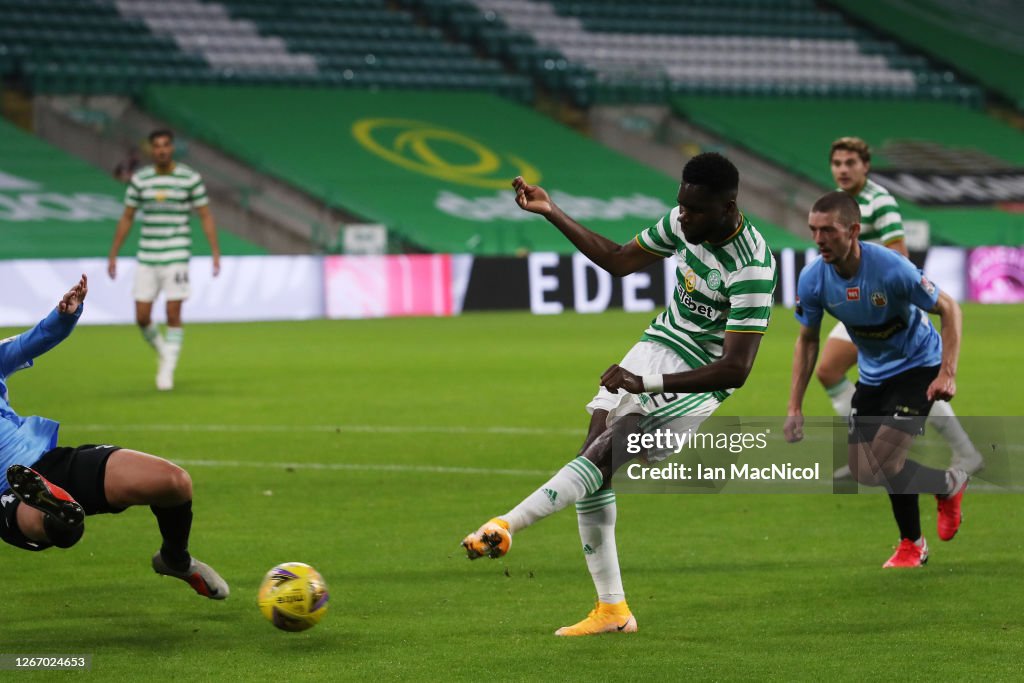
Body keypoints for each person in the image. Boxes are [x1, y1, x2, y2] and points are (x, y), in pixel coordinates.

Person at [461, 153, 777, 635]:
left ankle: (506, 523)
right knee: (592, 462)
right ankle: (612, 610)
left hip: (697, 374)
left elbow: (735, 369)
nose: (682, 217)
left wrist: (645, 384)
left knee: (607, 452)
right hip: (655, 346)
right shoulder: (682, 221)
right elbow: (616, 261)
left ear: (728, 206)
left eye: (694, 211)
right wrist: (552, 211)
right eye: (681, 206)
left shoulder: (752, 266)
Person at [0, 275, 228, 598]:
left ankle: (175, 558)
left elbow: (33, 340)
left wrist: (65, 314)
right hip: (5, 492)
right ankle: (53, 506)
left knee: (175, 483)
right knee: (64, 525)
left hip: (51, 460)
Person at [785, 191, 969, 568]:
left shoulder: (892, 269)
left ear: (853, 230)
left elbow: (949, 308)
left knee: (886, 459)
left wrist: (947, 372)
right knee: (865, 470)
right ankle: (948, 485)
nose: (819, 240)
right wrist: (794, 405)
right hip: (873, 375)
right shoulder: (813, 279)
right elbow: (807, 339)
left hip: (918, 366)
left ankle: (911, 545)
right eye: (813, 230)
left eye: (828, 231)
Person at [822, 137, 982, 478]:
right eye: (837, 163)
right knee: (828, 370)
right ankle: (871, 449)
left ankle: (963, 455)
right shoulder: (839, 201)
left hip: (886, 306)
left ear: (866, 166)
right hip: (859, 301)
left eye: (851, 163)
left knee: (910, 382)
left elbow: (900, 258)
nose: (843, 169)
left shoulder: (879, 201)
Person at [107, 129, 221, 391]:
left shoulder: (189, 179)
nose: (161, 150)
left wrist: (215, 251)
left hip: (176, 254)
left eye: (166, 145)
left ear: (172, 148)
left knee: (173, 310)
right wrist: (113, 253)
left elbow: (205, 215)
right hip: (147, 255)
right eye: (156, 146)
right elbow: (127, 217)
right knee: (142, 315)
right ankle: (164, 351)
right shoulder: (141, 181)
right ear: (151, 149)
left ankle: (167, 369)